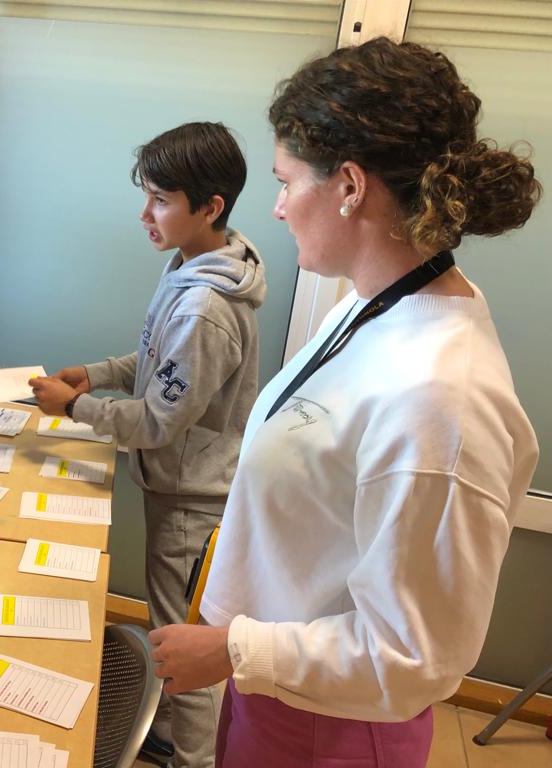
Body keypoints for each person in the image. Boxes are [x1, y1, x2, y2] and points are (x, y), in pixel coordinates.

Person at [148, 37, 542, 768]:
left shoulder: (443, 398)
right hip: (276, 688)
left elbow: (413, 654)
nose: (277, 208)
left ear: (350, 186)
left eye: (287, 181)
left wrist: (234, 648)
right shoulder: (374, 305)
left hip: (333, 728)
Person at [30, 121, 265, 768]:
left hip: (193, 500)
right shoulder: (194, 264)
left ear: (210, 207)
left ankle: (194, 758)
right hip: (176, 483)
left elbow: (159, 421)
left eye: (160, 200)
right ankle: (164, 731)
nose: (144, 214)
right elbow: (162, 364)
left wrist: (73, 406)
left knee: (185, 643)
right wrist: (98, 374)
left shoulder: (206, 308)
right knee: (174, 627)